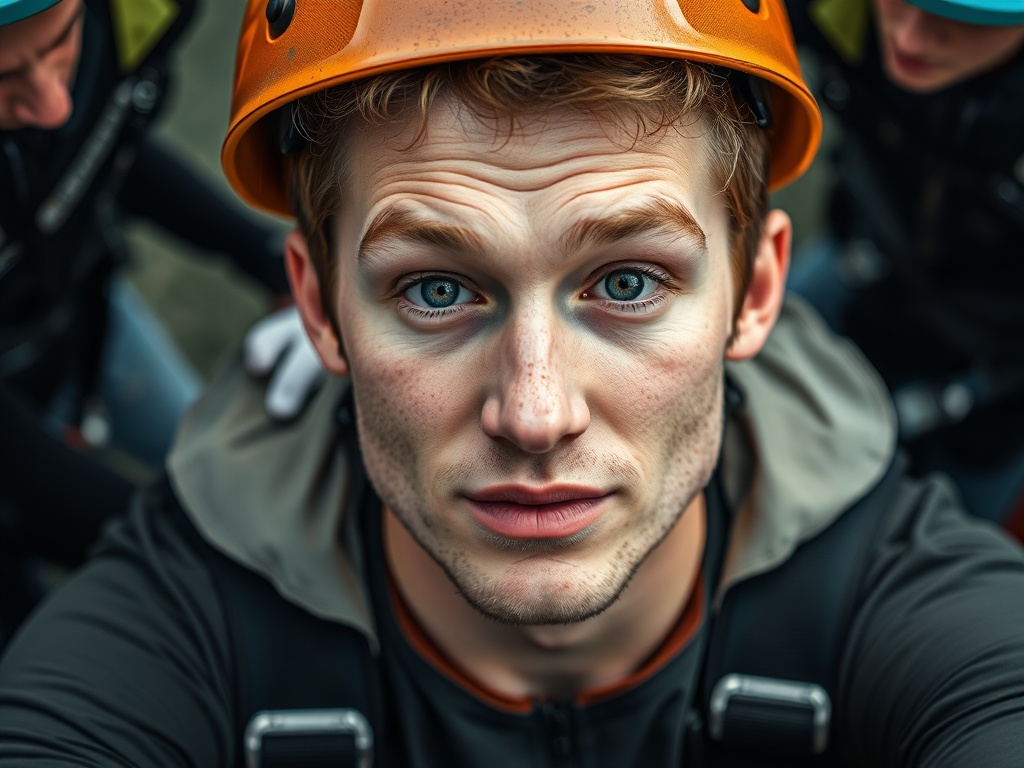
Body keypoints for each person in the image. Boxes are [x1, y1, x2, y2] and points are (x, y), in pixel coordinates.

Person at [2, 0, 1024, 765]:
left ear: (755, 291)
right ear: (316, 309)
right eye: (437, 289)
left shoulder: (911, 596)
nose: (535, 414)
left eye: (625, 282)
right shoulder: (182, 611)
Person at [0, 0, 302, 644]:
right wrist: (176, 545)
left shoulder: (126, 17)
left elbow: (102, 144)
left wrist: (262, 255)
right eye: (0, 82)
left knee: (218, 472)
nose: (51, 103)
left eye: (58, 46)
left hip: (83, 314)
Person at [785, 0, 1024, 524]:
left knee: (939, 540)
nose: (911, 39)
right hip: (861, 260)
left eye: (970, 17)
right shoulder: (842, 10)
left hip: (997, 385)